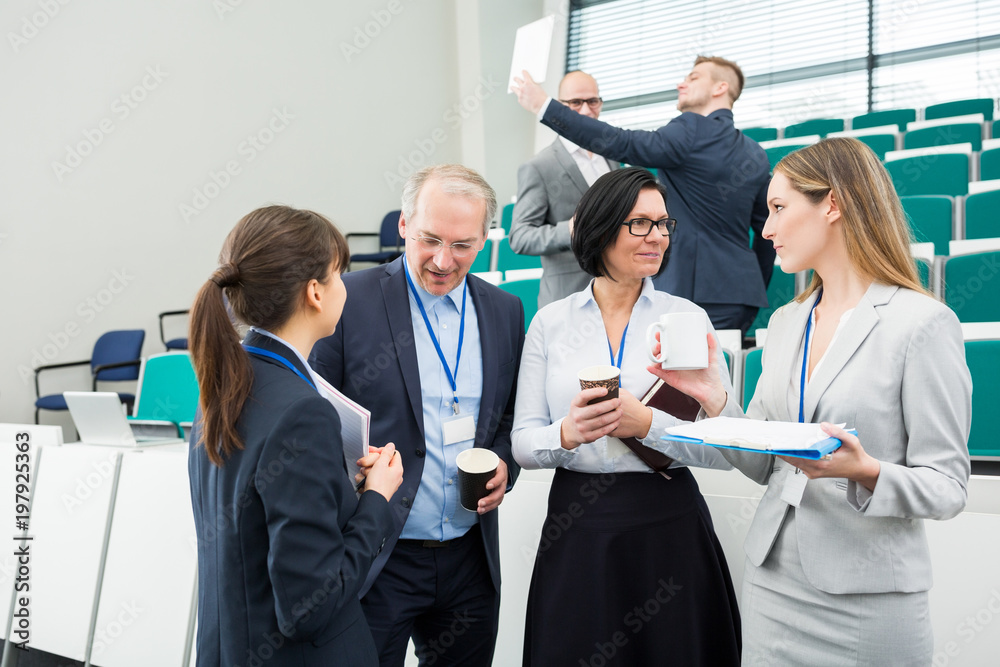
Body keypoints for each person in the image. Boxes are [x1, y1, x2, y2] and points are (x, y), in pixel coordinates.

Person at [652, 138, 972, 665]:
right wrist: (715, 398)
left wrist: (866, 471)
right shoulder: (786, 322)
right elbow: (764, 465)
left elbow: (947, 488)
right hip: (772, 582)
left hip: (868, 602)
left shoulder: (921, 324)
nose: (766, 229)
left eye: (779, 207)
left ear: (833, 204)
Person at [511, 167, 741, 666]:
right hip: (578, 524)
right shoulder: (550, 323)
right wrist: (567, 433)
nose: (657, 236)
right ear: (600, 227)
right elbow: (523, 444)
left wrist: (649, 426)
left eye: (663, 224)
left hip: (668, 520)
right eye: (640, 223)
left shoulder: (687, 318)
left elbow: (728, 449)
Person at [310, 164, 526, 667]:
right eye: (430, 239)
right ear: (405, 224)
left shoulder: (505, 310)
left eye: (463, 245)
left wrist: (503, 463)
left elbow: (510, 417)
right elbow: (316, 416)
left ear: (485, 239)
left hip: (471, 558)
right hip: (377, 555)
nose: (444, 261)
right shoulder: (346, 300)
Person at [187, 206, 404, 666]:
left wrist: (338, 488)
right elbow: (311, 608)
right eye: (338, 274)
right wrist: (376, 500)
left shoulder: (225, 384)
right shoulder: (303, 412)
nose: (345, 286)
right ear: (314, 292)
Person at [513, 56, 775, 334]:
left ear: (720, 87)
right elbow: (767, 232)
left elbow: (623, 142)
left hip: (687, 290)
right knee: (718, 363)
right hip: (741, 297)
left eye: (693, 77)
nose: (681, 84)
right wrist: (753, 283)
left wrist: (544, 106)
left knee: (675, 364)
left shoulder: (690, 130)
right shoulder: (756, 153)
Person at [509, 70, 619, 308]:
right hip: (566, 299)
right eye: (576, 102)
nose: (586, 110)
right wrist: (571, 229)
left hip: (617, 294)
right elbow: (520, 237)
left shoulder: (611, 157)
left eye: (593, 101)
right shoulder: (539, 166)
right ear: (560, 106)